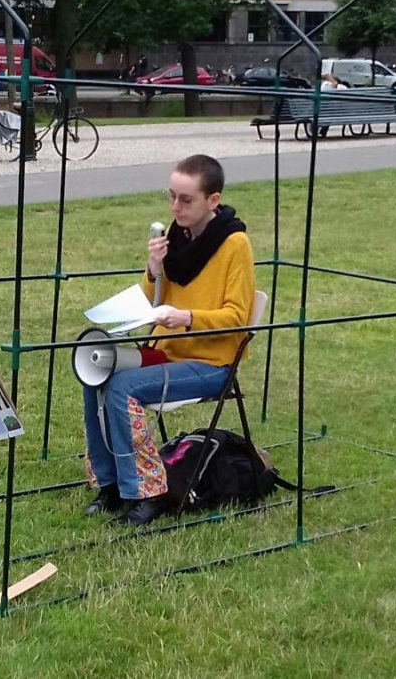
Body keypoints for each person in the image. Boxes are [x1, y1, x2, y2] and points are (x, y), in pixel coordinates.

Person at [82, 154, 256, 525]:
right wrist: (153, 270)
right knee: (95, 373)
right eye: (171, 196)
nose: (176, 207)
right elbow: (151, 301)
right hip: (168, 353)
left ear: (213, 200)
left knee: (121, 388)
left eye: (186, 199)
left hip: (212, 363)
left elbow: (237, 318)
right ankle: (111, 485)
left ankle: (148, 493)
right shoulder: (174, 239)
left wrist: (187, 317)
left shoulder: (234, 244)